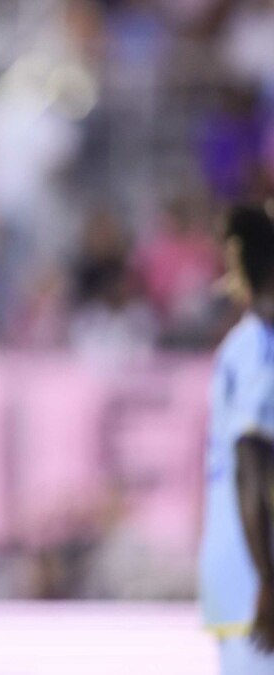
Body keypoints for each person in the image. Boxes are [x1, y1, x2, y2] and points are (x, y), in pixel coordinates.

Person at [200, 202, 274, 674]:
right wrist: (267, 580)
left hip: (233, 576)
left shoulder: (240, 345)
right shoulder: (263, 348)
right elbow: (251, 462)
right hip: (257, 580)